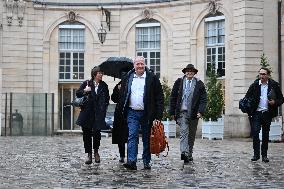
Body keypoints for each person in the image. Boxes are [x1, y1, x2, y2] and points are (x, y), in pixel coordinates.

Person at [116, 56, 164, 170]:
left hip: (147, 113)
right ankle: (132, 161)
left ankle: (146, 161)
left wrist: (158, 115)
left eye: (142, 64)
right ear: (134, 66)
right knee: (132, 136)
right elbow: (122, 96)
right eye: (138, 64)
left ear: (145, 65)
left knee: (147, 138)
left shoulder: (152, 78)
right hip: (132, 112)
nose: (140, 66)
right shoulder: (128, 77)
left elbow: (159, 97)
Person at [169, 64, 207, 163]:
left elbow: (203, 99)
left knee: (191, 135)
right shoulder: (179, 82)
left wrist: (201, 111)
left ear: (194, 73)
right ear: (185, 72)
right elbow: (173, 97)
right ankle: (184, 153)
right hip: (182, 113)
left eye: (191, 71)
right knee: (184, 132)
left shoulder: (199, 83)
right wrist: (172, 112)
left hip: (194, 113)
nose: (189, 72)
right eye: (188, 71)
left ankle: (189, 153)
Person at [245, 67, 283, 163]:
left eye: (263, 74)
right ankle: (256, 154)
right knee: (256, 133)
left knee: (265, 135)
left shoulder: (274, 85)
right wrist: (250, 105)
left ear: (268, 75)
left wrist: (274, 102)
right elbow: (247, 97)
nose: (261, 76)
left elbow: (281, 99)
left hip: (267, 113)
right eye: (260, 74)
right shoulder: (254, 85)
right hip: (256, 113)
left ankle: (264, 155)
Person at [76, 66, 110, 164]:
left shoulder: (104, 85)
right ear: (94, 74)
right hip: (87, 113)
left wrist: (104, 108)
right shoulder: (87, 83)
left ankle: (96, 152)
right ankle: (89, 154)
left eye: (101, 73)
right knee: (86, 134)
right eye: (99, 73)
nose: (101, 74)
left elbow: (107, 98)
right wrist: (85, 91)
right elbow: (78, 94)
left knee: (96, 134)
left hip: (98, 114)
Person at [111, 71, 129, 163]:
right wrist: (118, 90)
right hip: (119, 113)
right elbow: (113, 98)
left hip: (129, 112)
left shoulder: (131, 83)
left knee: (130, 135)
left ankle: (130, 155)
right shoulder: (118, 85)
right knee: (120, 136)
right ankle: (122, 155)